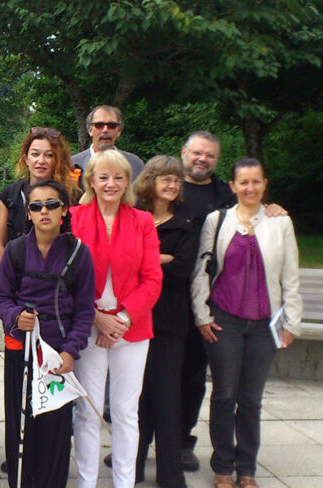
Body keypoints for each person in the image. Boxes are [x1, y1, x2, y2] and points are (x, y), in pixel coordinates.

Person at [177, 131, 286, 471]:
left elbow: (251, 207)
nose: (202, 159)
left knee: (195, 376)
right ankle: (143, 442)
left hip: (207, 300)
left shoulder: (225, 195)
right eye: (197, 153)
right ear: (184, 152)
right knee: (155, 374)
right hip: (164, 296)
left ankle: (182, 441)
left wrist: (271, 209)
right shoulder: (165, 185)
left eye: (209, 155)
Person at [190, 158, 301, 488]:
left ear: (265, 184)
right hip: (225, 321)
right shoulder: (217, 220)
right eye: (244, 182)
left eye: (256, 182)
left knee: (251, 399)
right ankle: (223, 465)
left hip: (264, 325)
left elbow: (290, 277)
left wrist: (292, 322)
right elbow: (202, 270)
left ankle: (247, 468)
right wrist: (202, 315)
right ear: (233, 186)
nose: (250, 188)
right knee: (225, 395)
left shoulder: (280, 223)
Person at [0, 180, 96, 488]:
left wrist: (70, 351)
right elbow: (1, 297)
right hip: (21, 349)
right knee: (21, 423)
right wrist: (15, 317)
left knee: (55, 429)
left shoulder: (79, 253)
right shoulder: (14, 251)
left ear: (64, 210)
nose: (44, 212)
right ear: (28, 214)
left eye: (52, 204)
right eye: (36, 206)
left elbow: (85, 309)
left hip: (58, 353)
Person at [69, 149, 162, 488]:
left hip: (132, 329)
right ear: (91, 180)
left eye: (118, 177)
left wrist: (120, 319)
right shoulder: (74, 218)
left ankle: (124, 482)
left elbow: (152, 279)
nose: (111, 183)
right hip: (88, 326)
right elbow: (67, 278)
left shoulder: (142, 221)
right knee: (88, 410)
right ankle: (86, 482)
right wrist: (97, 318)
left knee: (125, 412)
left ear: (128, 182)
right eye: (103, 176)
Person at [0, 126, 78, 473]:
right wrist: (14, 270)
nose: (41, 160)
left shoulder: (72, 193)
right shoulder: (11, 193)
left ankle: (49, 452)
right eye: (35, 153)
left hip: (57, 302)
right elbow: (0, 242)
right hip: (17, 297)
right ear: (24, 156)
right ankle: (19, 450)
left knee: (53, 379)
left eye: (48, 154)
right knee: (19, 380)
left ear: (58, 158)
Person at [132, 156, 198, 488]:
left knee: (167, 396)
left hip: (170, 320)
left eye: (177, 181)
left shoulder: (186, 220)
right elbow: (128, 262)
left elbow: (182, 269)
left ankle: (170, 474)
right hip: (135, 318)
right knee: (137, 397)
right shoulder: (136, 216)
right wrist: (159, 259)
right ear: (151, 181)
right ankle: (133, 465)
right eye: (166, 180)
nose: (172, 186)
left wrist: (148, 261)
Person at [71, 105, 145, 182]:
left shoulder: (134, 164)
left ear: (119, 131)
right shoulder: (72, 164)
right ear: (90, 130)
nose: (105, 130)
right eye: (99, 125)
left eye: (111, 126)